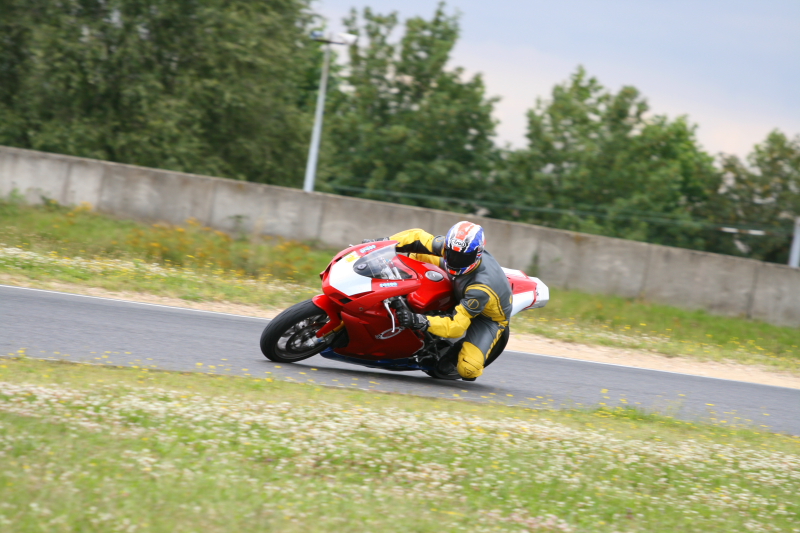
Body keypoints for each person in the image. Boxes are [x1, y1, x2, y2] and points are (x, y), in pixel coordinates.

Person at [367, 221, 513, 381]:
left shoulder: (481, 288)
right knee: (417, 254)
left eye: (463, 257)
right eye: (452, 253)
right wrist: (380, 244)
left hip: (487, 318)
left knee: (468, 370)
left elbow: (456, 327)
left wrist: (417, 320)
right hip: (460, 284)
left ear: (477, 254)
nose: (456, 260)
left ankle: (459, 348)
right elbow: (417, 236)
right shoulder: (451, 248)